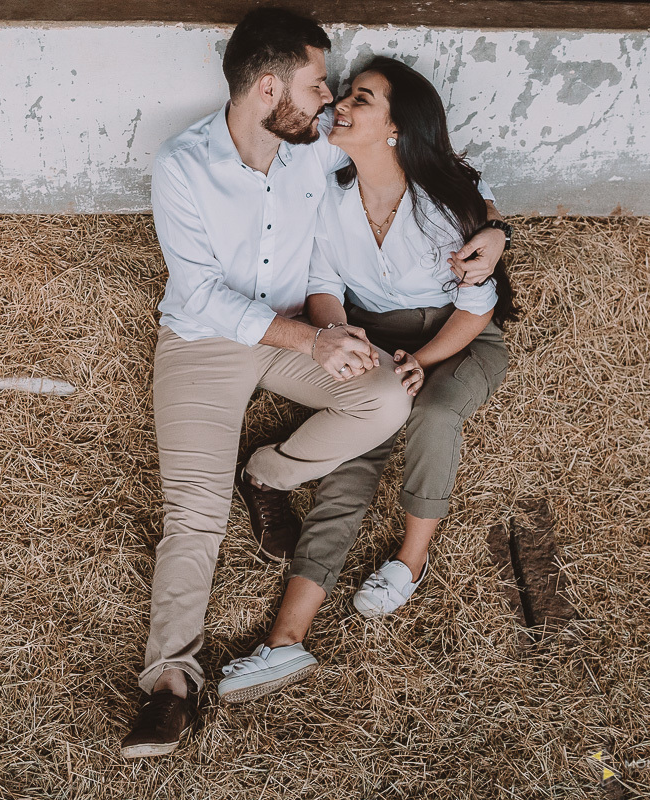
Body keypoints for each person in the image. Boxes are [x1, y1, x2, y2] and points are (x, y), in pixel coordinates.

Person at [215, 56, 515, 704]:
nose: (341, 106)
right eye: (345, 95)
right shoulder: (331, 197)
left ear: (397, 129)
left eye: (363, 99)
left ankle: (411, 559)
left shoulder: (446, 206)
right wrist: (344, 344)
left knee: (433, 416)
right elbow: (325, 284)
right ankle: (285, 640)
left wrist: (423, 362)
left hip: (456, 341)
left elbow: (478, 308)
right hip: (375, 334)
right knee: (354, 458)